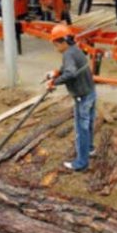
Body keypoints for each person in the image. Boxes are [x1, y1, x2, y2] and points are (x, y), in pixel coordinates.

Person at [45, 25, 96, 172]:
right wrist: (56, 72)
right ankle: (90, 149)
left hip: (82, 97)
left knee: (81, 129)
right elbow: (69, 68)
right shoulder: (75, 50)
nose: (56, 48)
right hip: (90, 92)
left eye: (55, 44)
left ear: (62, 42)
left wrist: (54, 82)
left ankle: (81, 163)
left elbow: (71, 73)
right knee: (89, 123)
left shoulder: (68, 54)